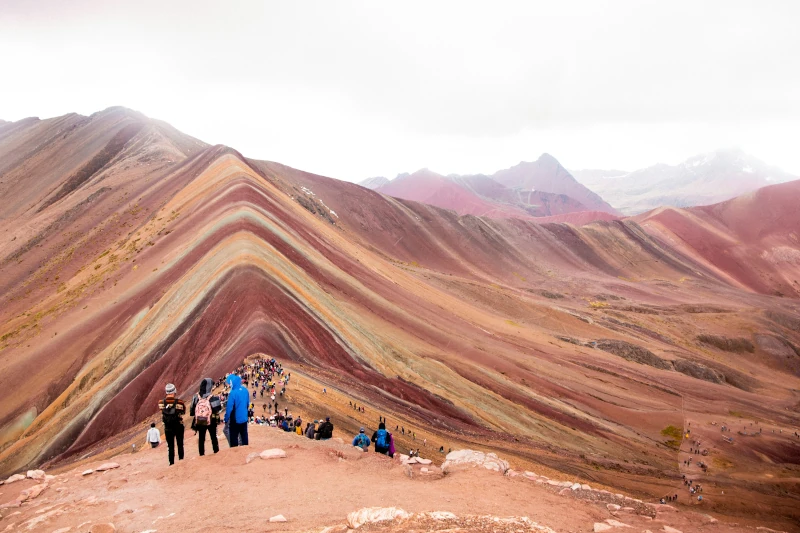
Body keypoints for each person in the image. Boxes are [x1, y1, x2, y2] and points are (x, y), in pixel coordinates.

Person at [190, 377, 222, 456]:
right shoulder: (213, 397)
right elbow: (218, 408)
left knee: (201, 438)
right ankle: (216, 452)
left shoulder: (195, 397)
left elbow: (191, 411)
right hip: (212, 420)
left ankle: (201, 455)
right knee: (213, 437)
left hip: (200, 420)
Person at [158, 383, 186, 465]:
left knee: (170, 446)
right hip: (178, 425)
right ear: (174, 391)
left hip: (168, 426)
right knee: (180, 444)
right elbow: (183, 411)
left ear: (166, 392)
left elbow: (162, 411)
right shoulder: (180, 402)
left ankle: (171, 463)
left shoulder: (161, 403)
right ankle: (181, 461)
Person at [224, 374, 250, 447]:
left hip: (235, 419)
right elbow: (247, 403)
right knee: (244, 435)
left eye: (230, 383)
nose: (229, 384)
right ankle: (245, 450)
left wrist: (226, 418)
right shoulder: (245, 390)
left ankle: (235, 452)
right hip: (244, 417)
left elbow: (229, 408)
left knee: (234, 437)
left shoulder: (233, 393)